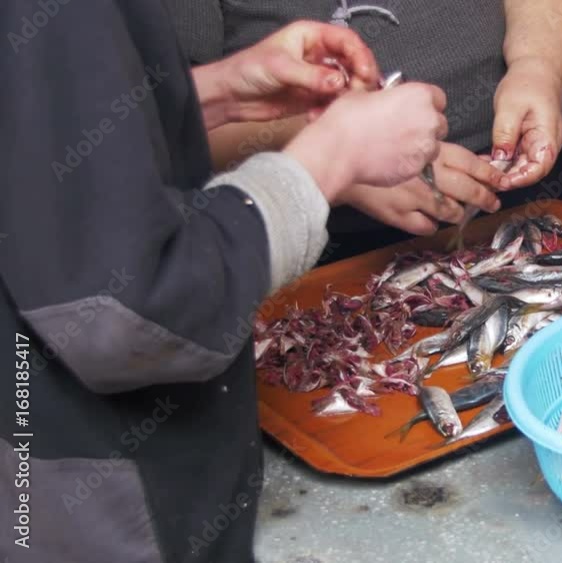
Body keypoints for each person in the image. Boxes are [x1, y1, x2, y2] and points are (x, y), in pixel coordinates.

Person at [0, 2, 446, 561]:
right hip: (88, 512)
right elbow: (125, 314)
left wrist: (209, 96)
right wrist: (331, 160)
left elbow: (34, 136)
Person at [166, 0, 562, 262]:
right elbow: (162, 122)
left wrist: (539, 64)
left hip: (514, 204)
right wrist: (336, 156)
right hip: (303, 241)